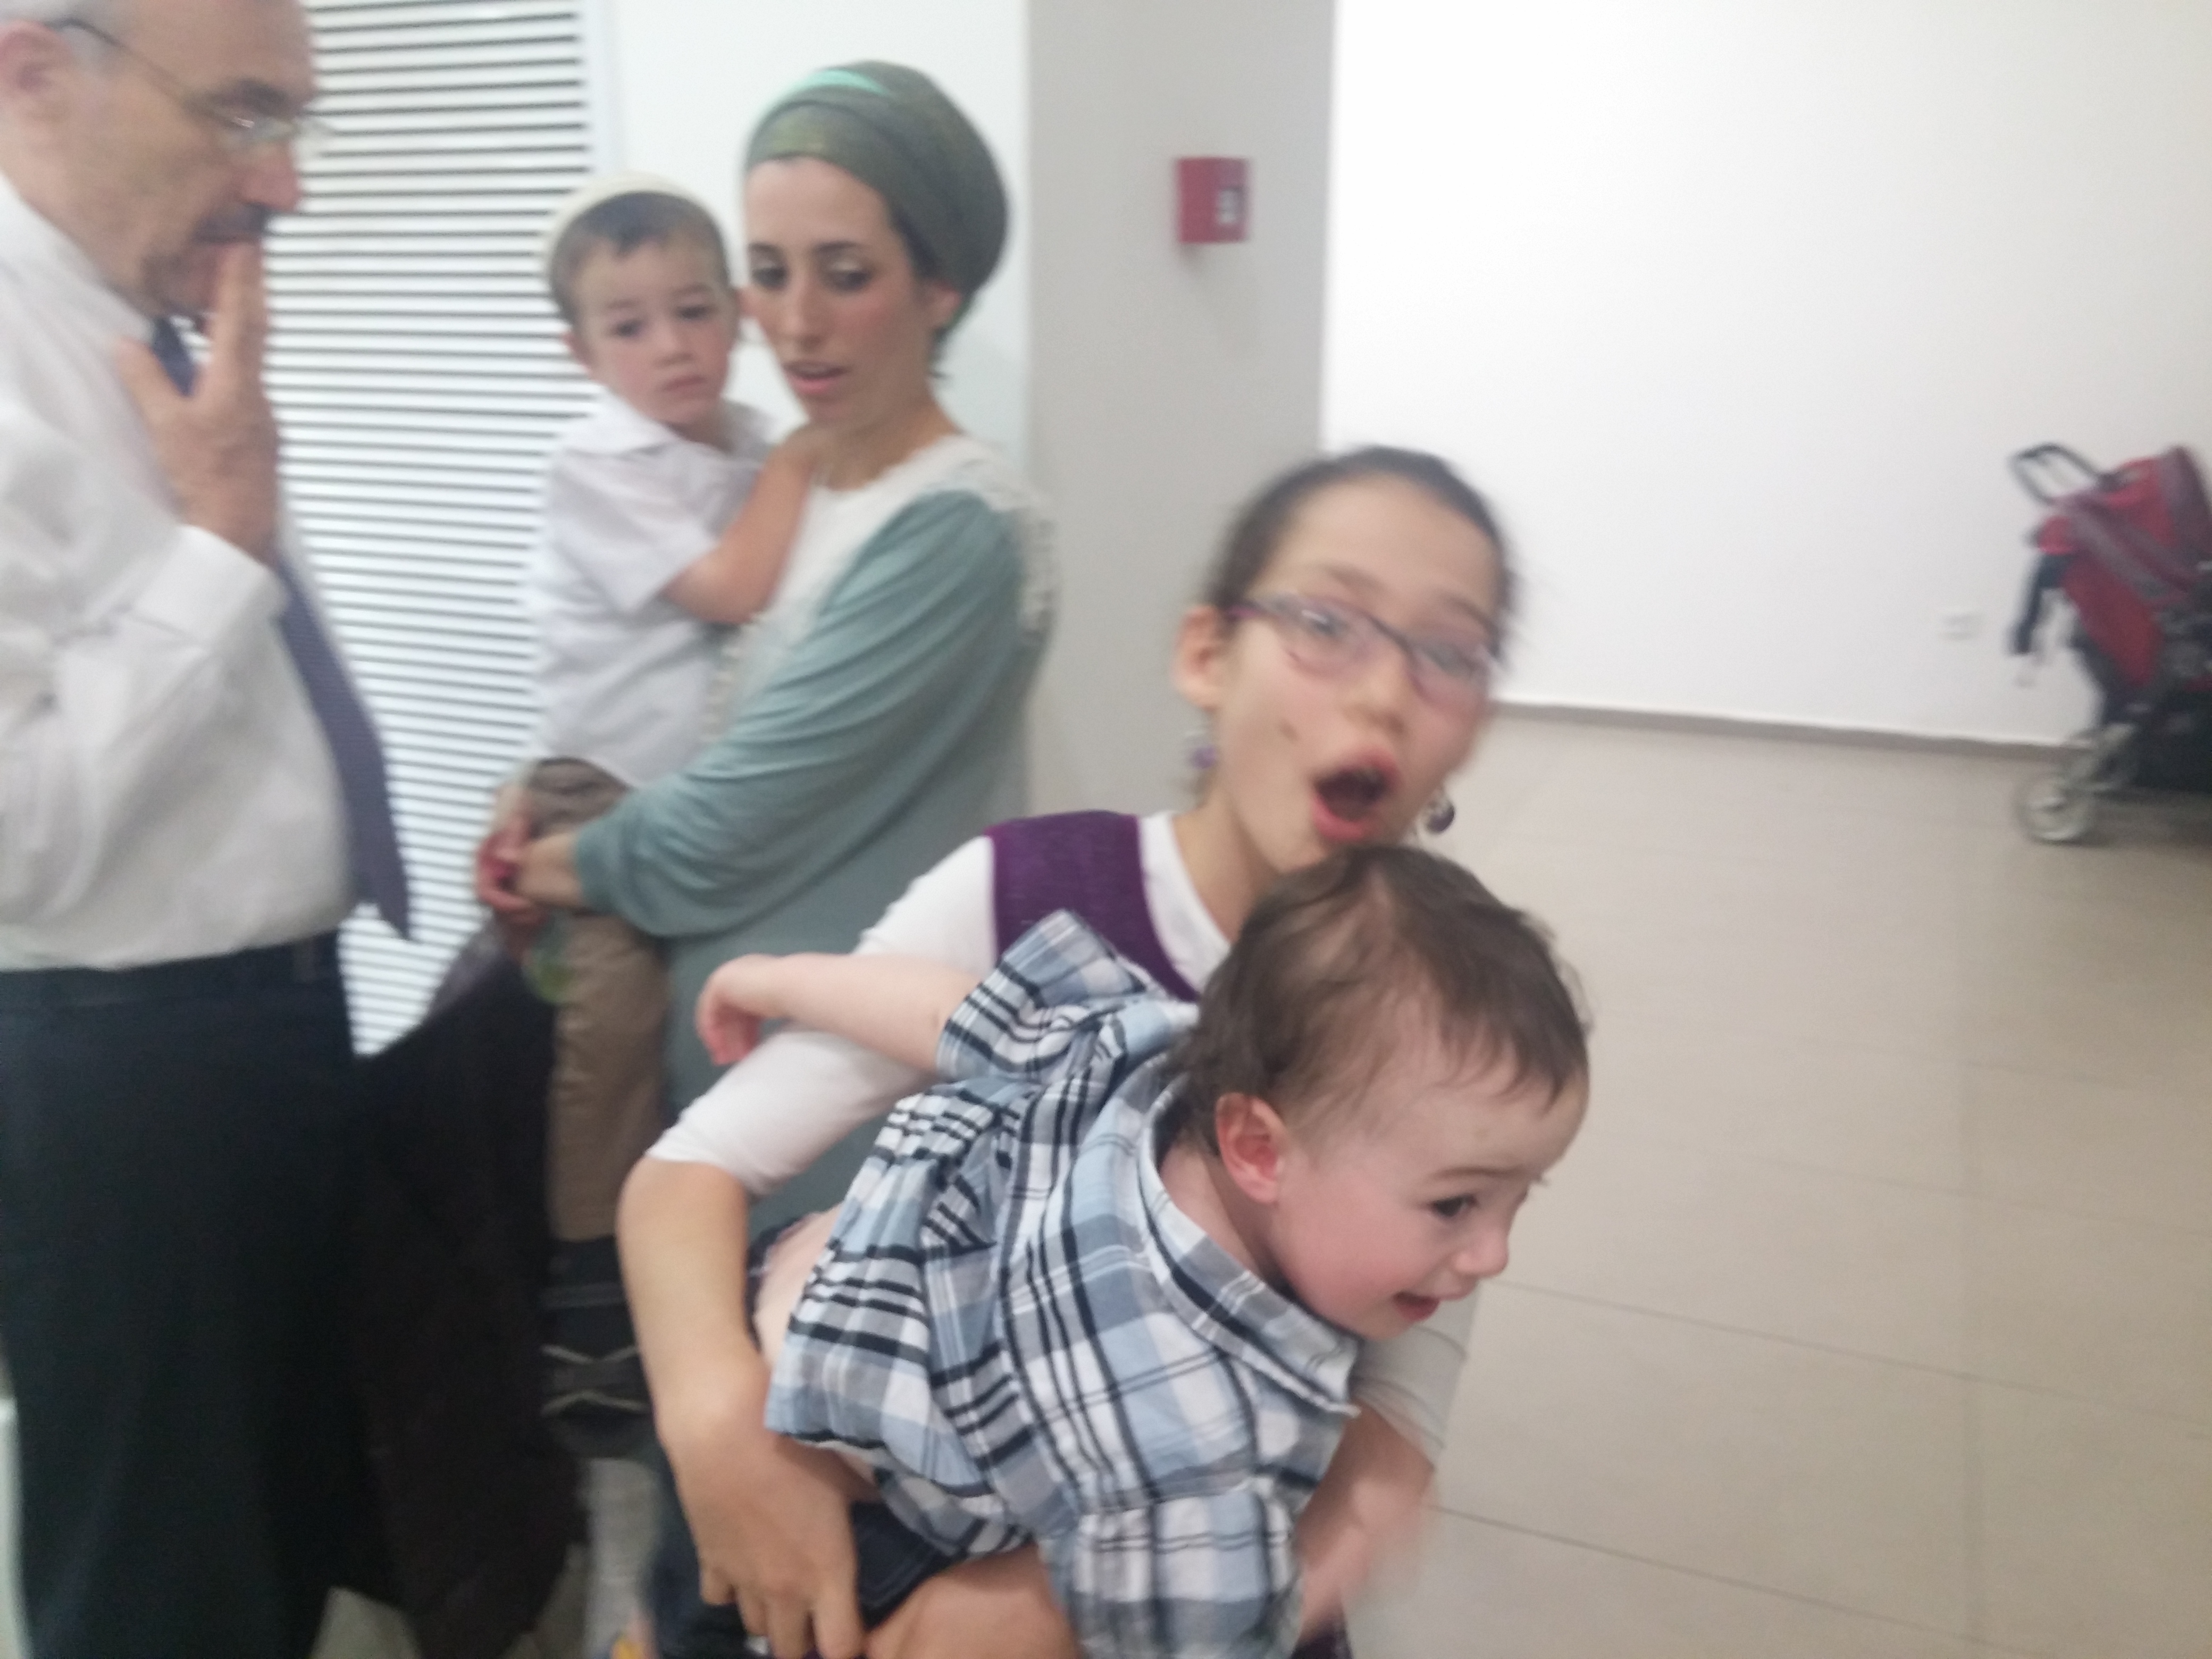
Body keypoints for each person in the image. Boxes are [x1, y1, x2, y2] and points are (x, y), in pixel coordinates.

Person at [622, 446, 1517, 1659]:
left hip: (1197, 1579)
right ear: (1208, 654)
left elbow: (1390, 1447)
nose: (1385, 695)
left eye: (1448, 654)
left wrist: (1038, 1617)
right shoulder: (1033, 895)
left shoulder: (1450, 1015)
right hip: (897, 1493)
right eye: (1325, 623)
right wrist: (717, 1430)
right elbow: (692, 1171)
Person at [696, 848, 1590, 1659]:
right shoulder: (1201, 1451)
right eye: (1455, 1205)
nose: (1494, 1255)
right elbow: (1226, 1636)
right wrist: (1358, 1535)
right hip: (857, 1524)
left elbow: (944, 1010)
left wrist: (776, 980)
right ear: (1259, 1149)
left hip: (797, 1292)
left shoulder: (1144, 1045)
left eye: (1521, 1196)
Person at [0, 1, 403, 1654]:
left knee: (272, 1544)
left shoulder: (144, 322)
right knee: (163, 1594)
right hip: (124, 1082)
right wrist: (219, 549)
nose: (284, 183)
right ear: (36, 73)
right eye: (239, 116)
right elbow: (19, 837)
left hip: (258, 1039)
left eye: (293, 120)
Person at [506, 173, 822, 1451]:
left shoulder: (744, 440)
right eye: (629, 326)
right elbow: (733, 587)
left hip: (700, 786)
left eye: (694, 311)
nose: (671, 345)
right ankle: (587, 1302)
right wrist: (815, 447)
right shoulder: (596, 463)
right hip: (604, 783)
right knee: (616, 1018)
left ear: (735, 315)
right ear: (581, 353)